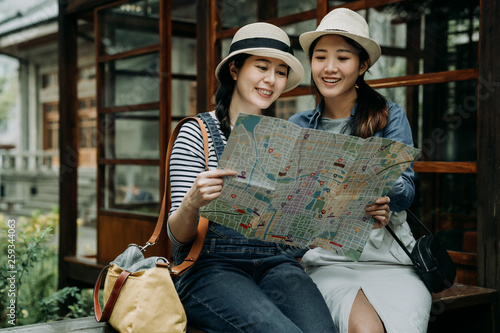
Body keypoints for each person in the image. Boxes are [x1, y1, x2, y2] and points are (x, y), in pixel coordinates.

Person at [167, 22, 337, 333]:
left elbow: (299, 232)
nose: (271, 80)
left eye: (281, 72)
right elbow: (177, 237)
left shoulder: (290, 140)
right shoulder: (197, 132)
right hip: (211, 267)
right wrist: (192, 203)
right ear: (234, 69)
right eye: (261, 67)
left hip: (277, 264)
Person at [288, 8, 431, 333]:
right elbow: (291, 207)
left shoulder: (388, 116)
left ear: (362, 65)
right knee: (365, 329)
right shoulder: (298, 127)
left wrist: (383, 194)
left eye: (343, 57)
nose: (330, 68)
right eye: (320, 57)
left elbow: (406, 190)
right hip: (328, 261)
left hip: (390, 259)